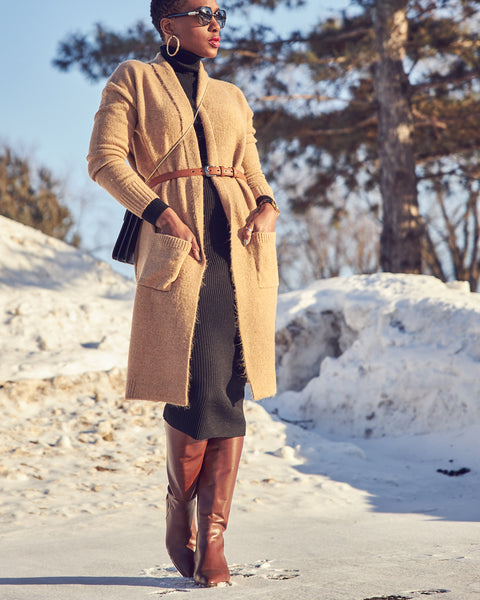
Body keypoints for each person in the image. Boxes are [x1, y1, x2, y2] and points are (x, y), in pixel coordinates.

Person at [87, 0, 279, 587]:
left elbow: (251, 169)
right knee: (192, 394)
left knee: (228, 390)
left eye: (221, 12)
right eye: (202, 13)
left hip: (240, 256)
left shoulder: (231, 97)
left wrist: (268, 206)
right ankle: (180, 514)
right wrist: (160, 212)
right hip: (181, 253)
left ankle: (213, 538)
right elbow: (104, 160)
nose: (216, 23)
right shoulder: (134, 80)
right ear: (168, 24)